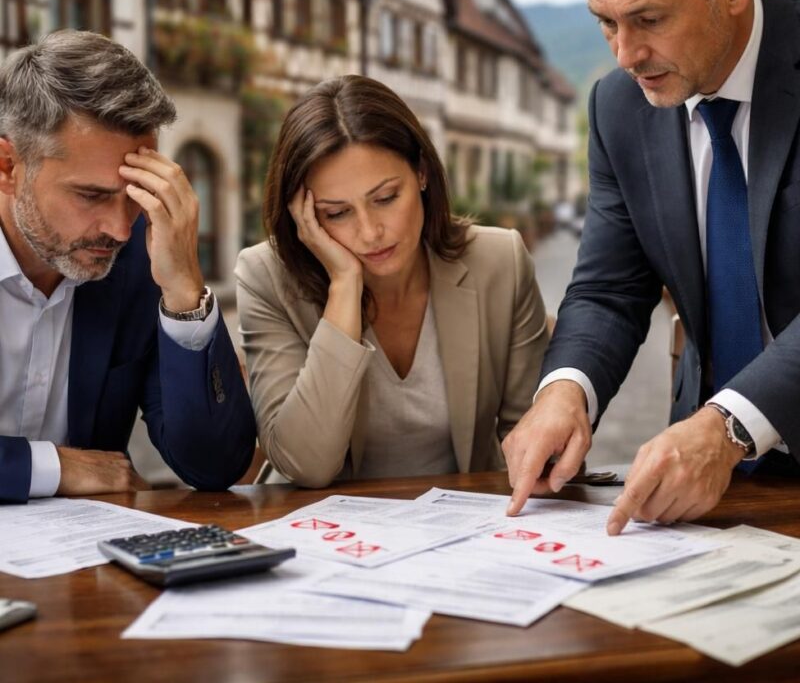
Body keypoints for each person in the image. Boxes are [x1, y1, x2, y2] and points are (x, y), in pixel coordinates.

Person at [502, 0, 800, 533]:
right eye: (605, 23)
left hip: (720, 442)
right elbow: (609, 289)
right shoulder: (618, 107)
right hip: (704, 487)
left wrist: (729, 426)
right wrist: (564, 391)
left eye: (648, 19)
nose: (626, 54)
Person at [235, 74, 549, 487]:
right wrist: (344, 285)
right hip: (319, 520)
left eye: (385, 198)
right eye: (336, 213)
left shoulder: (500, 261)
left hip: (462, 517)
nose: (370, 232)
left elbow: (533, 445)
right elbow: (305, 465)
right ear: (302, 215)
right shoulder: (266, 277)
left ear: (422, 173)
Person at [0, 30, 256, 504]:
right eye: (91, 195)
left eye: (135, 195)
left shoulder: (141, 257)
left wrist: (184, 291)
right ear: (8, 167)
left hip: (83, 548)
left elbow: (215, 465)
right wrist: (51, 468)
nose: (120, 230)